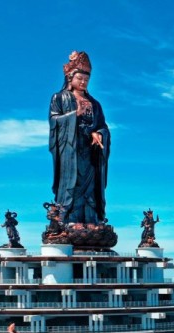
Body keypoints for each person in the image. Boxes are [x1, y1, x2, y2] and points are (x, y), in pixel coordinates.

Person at [49, 51, 111, 225]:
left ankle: (91, 220)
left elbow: (102, 125)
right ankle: (69, 220)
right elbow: (54, 121)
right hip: (70, 149)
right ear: (70, 78)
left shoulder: (95, 103)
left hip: (91, 150)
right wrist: (74, 115)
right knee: (72, 183)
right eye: (80, 79)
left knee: (91, 186)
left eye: (86, 79)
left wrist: (98, 133)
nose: (83, 82)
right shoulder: (59, 98)